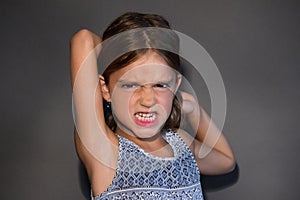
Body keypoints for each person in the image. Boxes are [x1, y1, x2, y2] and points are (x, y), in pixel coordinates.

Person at [70, 12, 235, 199]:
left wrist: (195, 110)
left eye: (160, 85)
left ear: (175, 85)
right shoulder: (104, 152)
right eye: (130, 85)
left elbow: (225, 160)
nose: (147, 100)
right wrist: (117, 50)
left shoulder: (180, 143)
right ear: (106, 90)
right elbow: (83, 39)